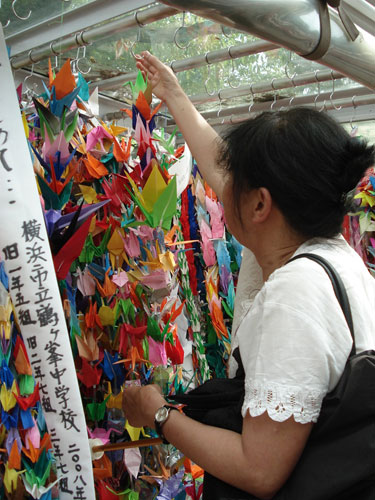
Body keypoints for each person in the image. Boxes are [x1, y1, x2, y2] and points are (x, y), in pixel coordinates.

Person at [122, 52, 375, 499]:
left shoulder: (293, 295)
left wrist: (158, 413)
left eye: (236, 182)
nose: (222, 190)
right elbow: (219, 170)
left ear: (260, 205)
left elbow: (259, 470)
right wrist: (174, 95)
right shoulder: (335, 256)